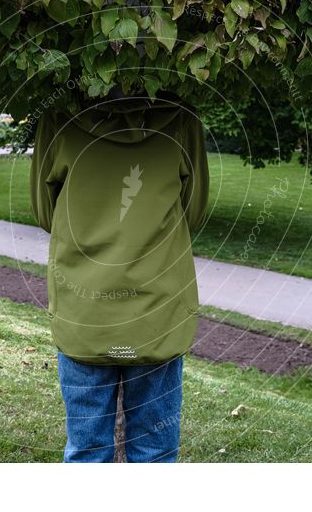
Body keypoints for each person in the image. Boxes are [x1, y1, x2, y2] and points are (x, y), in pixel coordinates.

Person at [29, 87, 210, 463]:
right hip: (156, 309)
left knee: (87, 451)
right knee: (156, 452)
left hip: (85, 310)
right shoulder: (181, 119)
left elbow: (44, 213)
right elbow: (193, 213)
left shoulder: (58, 117)